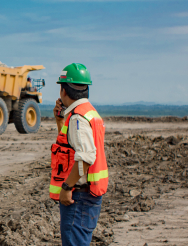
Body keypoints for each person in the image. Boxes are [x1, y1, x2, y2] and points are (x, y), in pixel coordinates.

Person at [50, 63, 108, 246]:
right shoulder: (89, 112)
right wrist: (60, 120)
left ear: (63, 91)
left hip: (79, 196)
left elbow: (85, 156)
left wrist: (67, 188)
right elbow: (69, 148)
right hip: (87, 195)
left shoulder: (77, 117)